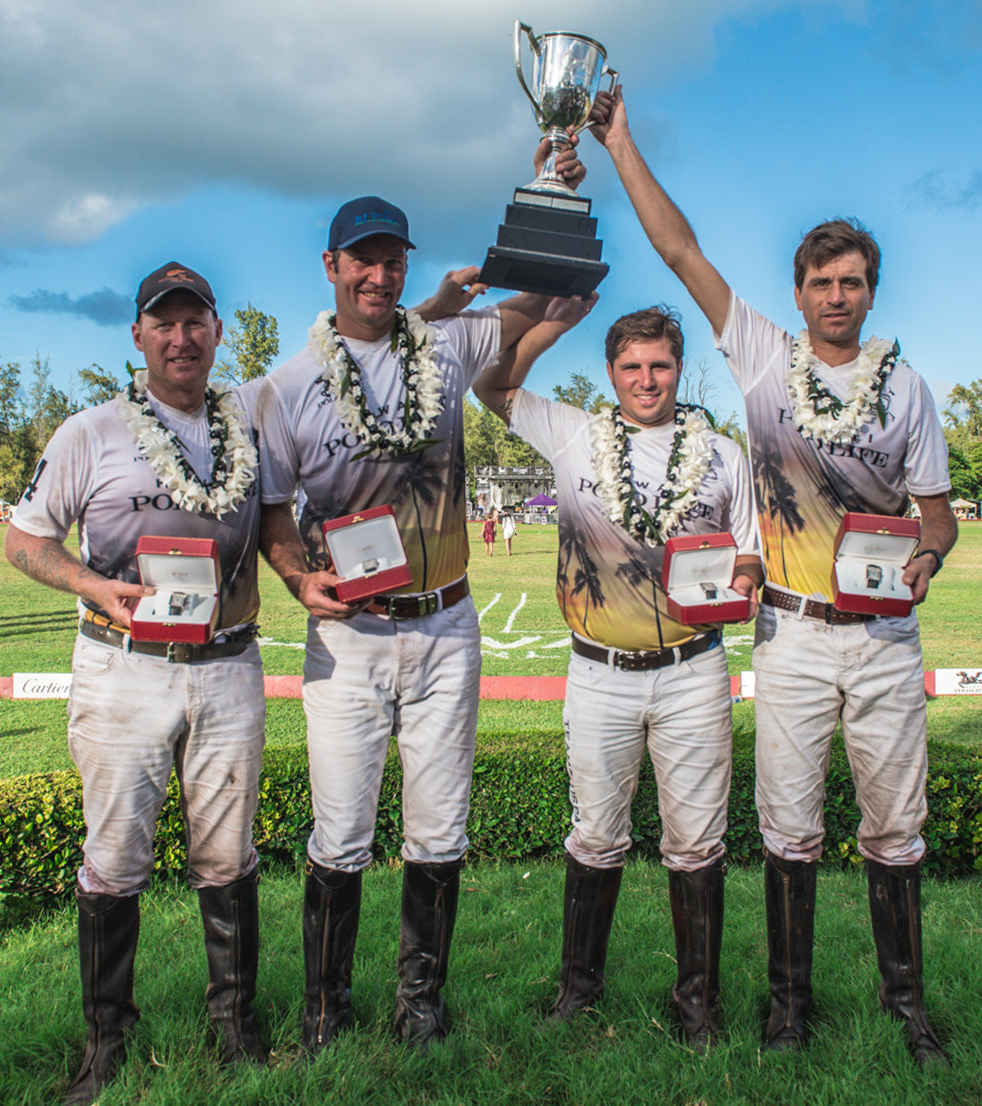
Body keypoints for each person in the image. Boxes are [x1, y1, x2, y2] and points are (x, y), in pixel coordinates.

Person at [588, 88, 958, 1065]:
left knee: (896, 826)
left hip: (882, 636)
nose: (837, 295)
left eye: (853, 281)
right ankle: (788, 1002)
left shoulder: (908, 387)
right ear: (797, 294)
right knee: (788, 826)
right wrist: (621, 142)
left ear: (871, 292)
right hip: (790, 634)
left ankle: (905, 1001)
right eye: (822, 281)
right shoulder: (762, 356)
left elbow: (936, 515)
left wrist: (924, 559)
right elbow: (679, 253)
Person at [255, 168, 583, 1052]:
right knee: (342, 827)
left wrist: (554, 199)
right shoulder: (286, 388)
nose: (378, 276)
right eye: (362, 260)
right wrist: (296, 579)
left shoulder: (445, 347)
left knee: (440, 824)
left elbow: (559, 294)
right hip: (350, 636)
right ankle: (326, 1008)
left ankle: (420, 1002)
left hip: (446, 624)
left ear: (407, 266)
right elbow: (274, 511)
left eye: (392, 260)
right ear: (330, 265)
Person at [5, 263, 268, 1104]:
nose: (181, 338)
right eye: (165, 324)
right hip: (123, 669)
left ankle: (235, 1028)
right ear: (138, 337)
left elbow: (279, 524)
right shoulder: (91, 432)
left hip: (228, 663)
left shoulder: (247, 427)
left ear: (217, 332)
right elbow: (25, 540)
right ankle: (105, 1043)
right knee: (114, 858)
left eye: (195, 323)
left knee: (228, 856)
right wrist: (91, 584)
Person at [474, 299, 762, 1049]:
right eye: (631, 366)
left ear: (678, 366)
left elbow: (753, 553)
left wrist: (743, 576)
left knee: (696, 841)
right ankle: (580, 990)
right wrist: (550, 327)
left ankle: (697, 1003)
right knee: (595, 835)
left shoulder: (724, 453)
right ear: (611, 372)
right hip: (599, 670)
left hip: (694, 670)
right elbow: (490, 385)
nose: (646, 379)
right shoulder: (574, 434)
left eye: (660, 364)